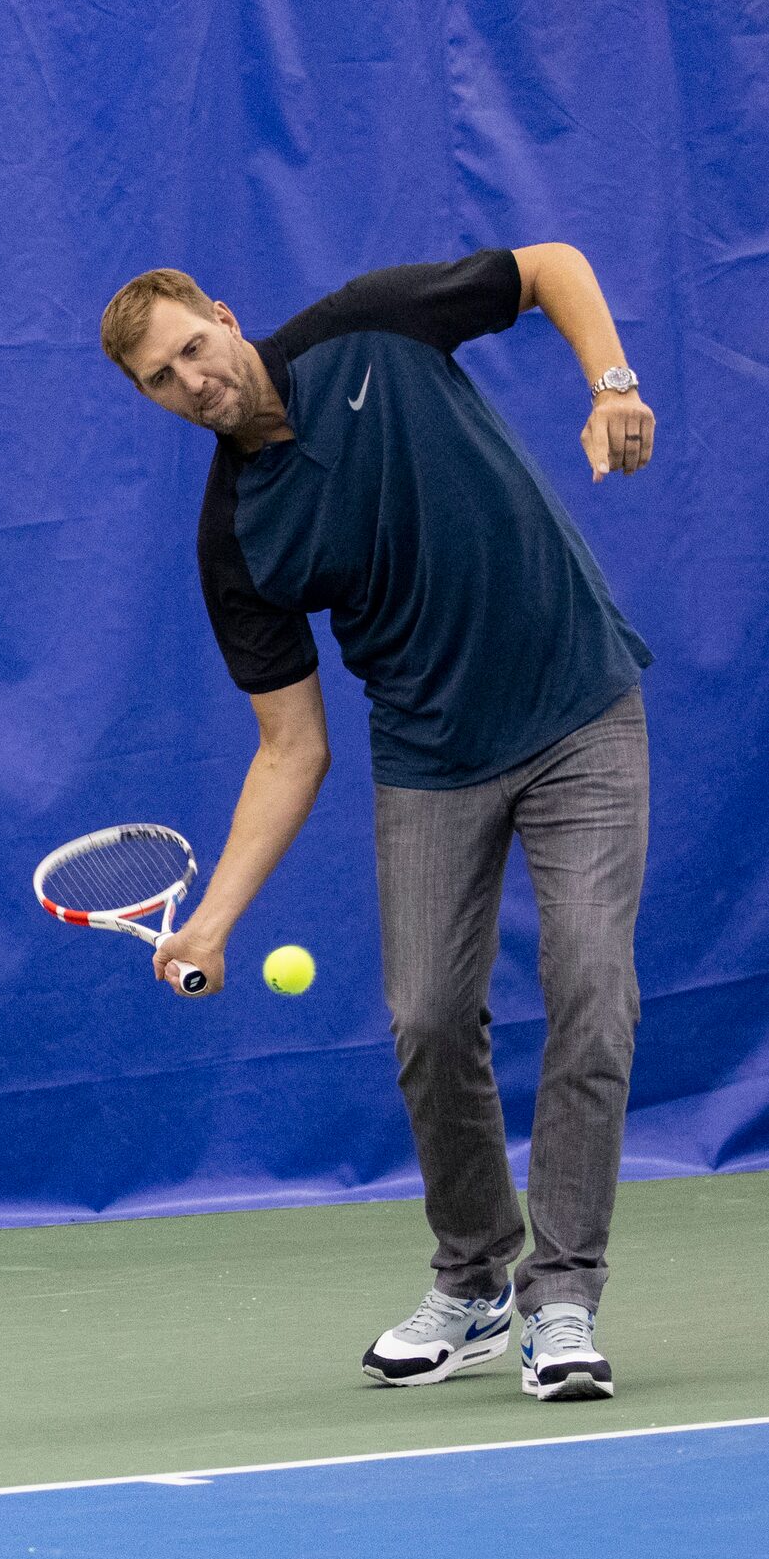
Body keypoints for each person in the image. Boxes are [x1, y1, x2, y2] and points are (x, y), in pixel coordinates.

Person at [99, 248, 656, 1401]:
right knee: (428, 1020)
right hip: (431, 761)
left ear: (227, 315)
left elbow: (550, 267)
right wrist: (209, 924)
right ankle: (473, 1283)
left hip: (578, 711)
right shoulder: (238, 539)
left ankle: (564, 1301)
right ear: (150, 402)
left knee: (592, 984)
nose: (193, 378)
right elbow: (289, 747)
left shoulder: (372, 328)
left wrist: (613, 387)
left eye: (195, 345)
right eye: (163, 378)